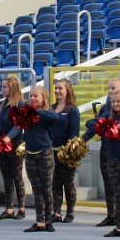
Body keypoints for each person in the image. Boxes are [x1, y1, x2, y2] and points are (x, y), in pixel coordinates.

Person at [83, 90, 120, 238]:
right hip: (111, 157)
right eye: (113, 102)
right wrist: (102, 124)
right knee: (118, 193)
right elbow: (91, 123)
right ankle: (119, 227)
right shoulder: (108, 116)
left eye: (118, 102)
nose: (115, 104)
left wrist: (119, 126)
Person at [91, 78, 120, 227]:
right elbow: (95, 123)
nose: (110, 91)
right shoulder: (105, 107)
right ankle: (110, 214)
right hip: (105, 147)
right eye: (109, 88)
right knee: (107, 182)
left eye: (113, 88)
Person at [21, 87, 58, 232]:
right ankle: (39, 221)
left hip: (45, 153)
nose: (32, 99)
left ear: (44, 98)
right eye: (30, 96)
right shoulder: (27, 113)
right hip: (30, 152)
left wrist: (36, 111)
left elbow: (55, 118)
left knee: (47, 188)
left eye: (36, 96)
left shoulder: (47, 113)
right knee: (36, 189)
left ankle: (48, 220)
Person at [0, 76, 26, 220]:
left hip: (14, 144)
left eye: (5, 87)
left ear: (12, 88)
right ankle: (9, 208)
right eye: (2, 86)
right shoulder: (1, 104)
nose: (3, 89)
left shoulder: (19, 104)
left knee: (17, 176)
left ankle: (21, 207)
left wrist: (9, 137)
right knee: (6, 176)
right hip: (2, 144)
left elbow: (19, 124)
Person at [50, 80, 80, 223]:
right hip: (52, 151)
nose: (57, 91)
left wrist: (68, 151)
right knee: (55, 183)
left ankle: (70, 212)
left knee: (68, 183)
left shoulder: (72, 110)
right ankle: (56, 212)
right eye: (56, 88)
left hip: (67, 152)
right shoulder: (51, 108)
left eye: (60, 88)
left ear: (67, 90)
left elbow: (74, 134)